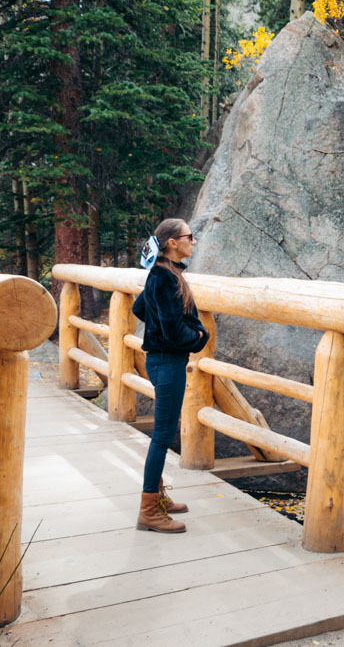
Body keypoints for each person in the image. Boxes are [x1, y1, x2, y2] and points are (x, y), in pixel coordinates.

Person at [131, 218, 208, 533]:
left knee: (162, 435)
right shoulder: (164, 278)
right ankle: (148, 511)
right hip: (168, 362)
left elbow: (139, 308)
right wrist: (200, 337)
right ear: (173, 242)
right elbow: (176, 331)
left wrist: (163, 328)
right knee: (162, 437)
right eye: (190, 236)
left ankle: (157, 496)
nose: (193, 241)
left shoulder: (164, 274)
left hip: (163, 361)